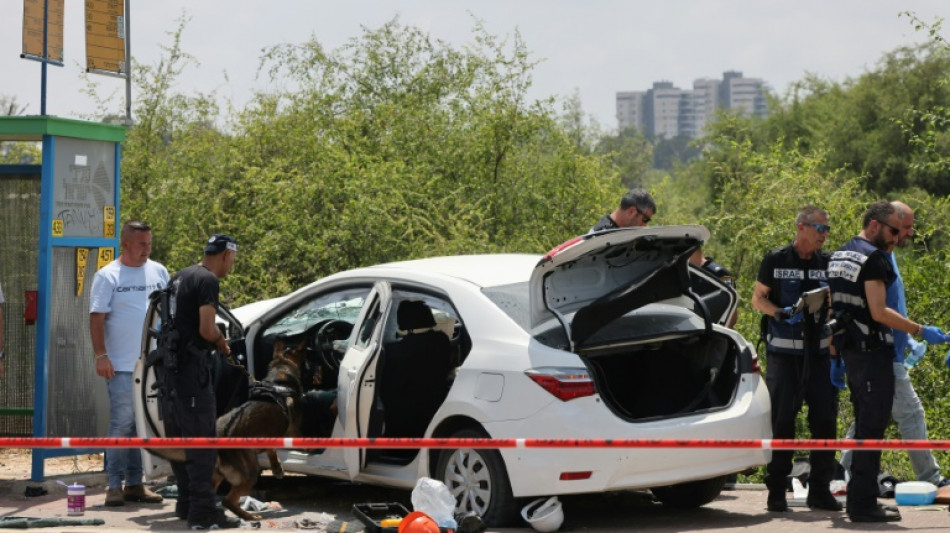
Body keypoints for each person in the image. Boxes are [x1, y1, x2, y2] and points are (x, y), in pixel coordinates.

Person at [827, 200, 947, 523]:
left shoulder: (840, 254)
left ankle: (858, 494)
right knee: (873, 426)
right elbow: (879, 311)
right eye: (895, 230)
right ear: (876, 224)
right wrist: (920, 330)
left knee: (866, 420)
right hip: (873, 353)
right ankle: (863, 503)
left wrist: (835, 354)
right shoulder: (875, 258)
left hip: (853, 351)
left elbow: (834, 309)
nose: (898, 238)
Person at [751, 206, 840, 513]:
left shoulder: (828, 263)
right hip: (783, 358)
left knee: (825, 422)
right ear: (802, 227)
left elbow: (838, 303)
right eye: (820, 228)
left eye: (827, 229)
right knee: (782, 423)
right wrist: (778, 313)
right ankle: (776, 492)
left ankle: (820, 490)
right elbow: (757, 298)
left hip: (819, 357)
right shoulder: (775, 260)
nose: (824, 235)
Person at [163, 234, 240, 530]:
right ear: (225, 256)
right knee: (202, 447)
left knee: (183, 442)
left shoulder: (179, 277)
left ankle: (186, 505)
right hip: (193, 373)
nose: (230, 266)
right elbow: (207, 329)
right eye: (231, 261)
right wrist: (222, 343)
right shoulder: (207, 281)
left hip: (171, 373)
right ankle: (203, 513)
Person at [88, 221, 168, 507]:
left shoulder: (159, 272)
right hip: (121, 364)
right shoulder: (108, 276)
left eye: (149, 243)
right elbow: (96, 317)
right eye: (141, 244)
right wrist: (101, 355)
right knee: (122, 423)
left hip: (152, 364)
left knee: (141, 424)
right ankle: (113, 485)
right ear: (125, 244)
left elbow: (167, 314)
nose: (147, 249)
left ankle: (135, 484)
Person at [589, 187, 656, 232]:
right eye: (645, 219)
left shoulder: (614, 232)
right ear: (631, 212)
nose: (645, 226)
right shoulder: (603, 237)